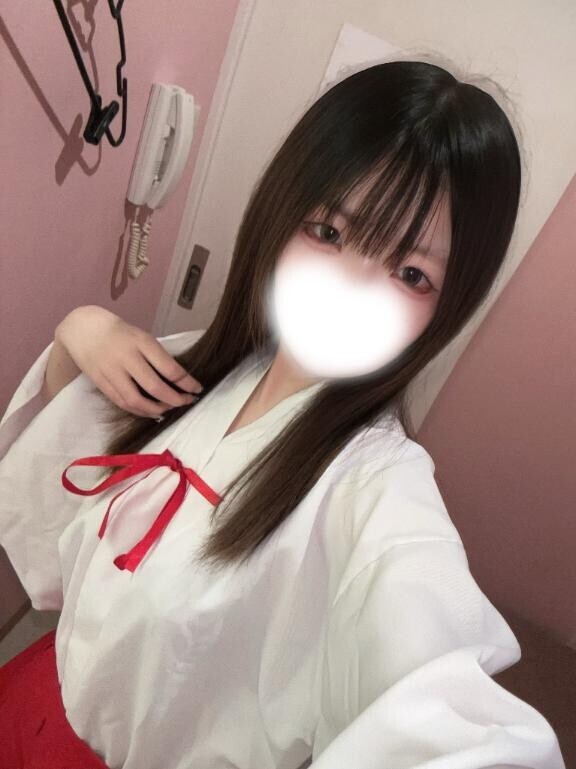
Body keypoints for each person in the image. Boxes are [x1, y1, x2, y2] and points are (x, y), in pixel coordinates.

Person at [0, 60, 566, 769]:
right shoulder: (198, 369)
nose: (348, 288)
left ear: (445, 308)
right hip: (31, 691)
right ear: (282, 210)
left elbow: (448, 707)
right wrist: (78, 333)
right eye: (329, 231)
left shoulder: (378, 491)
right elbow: (67, 462)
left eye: (410, 273)